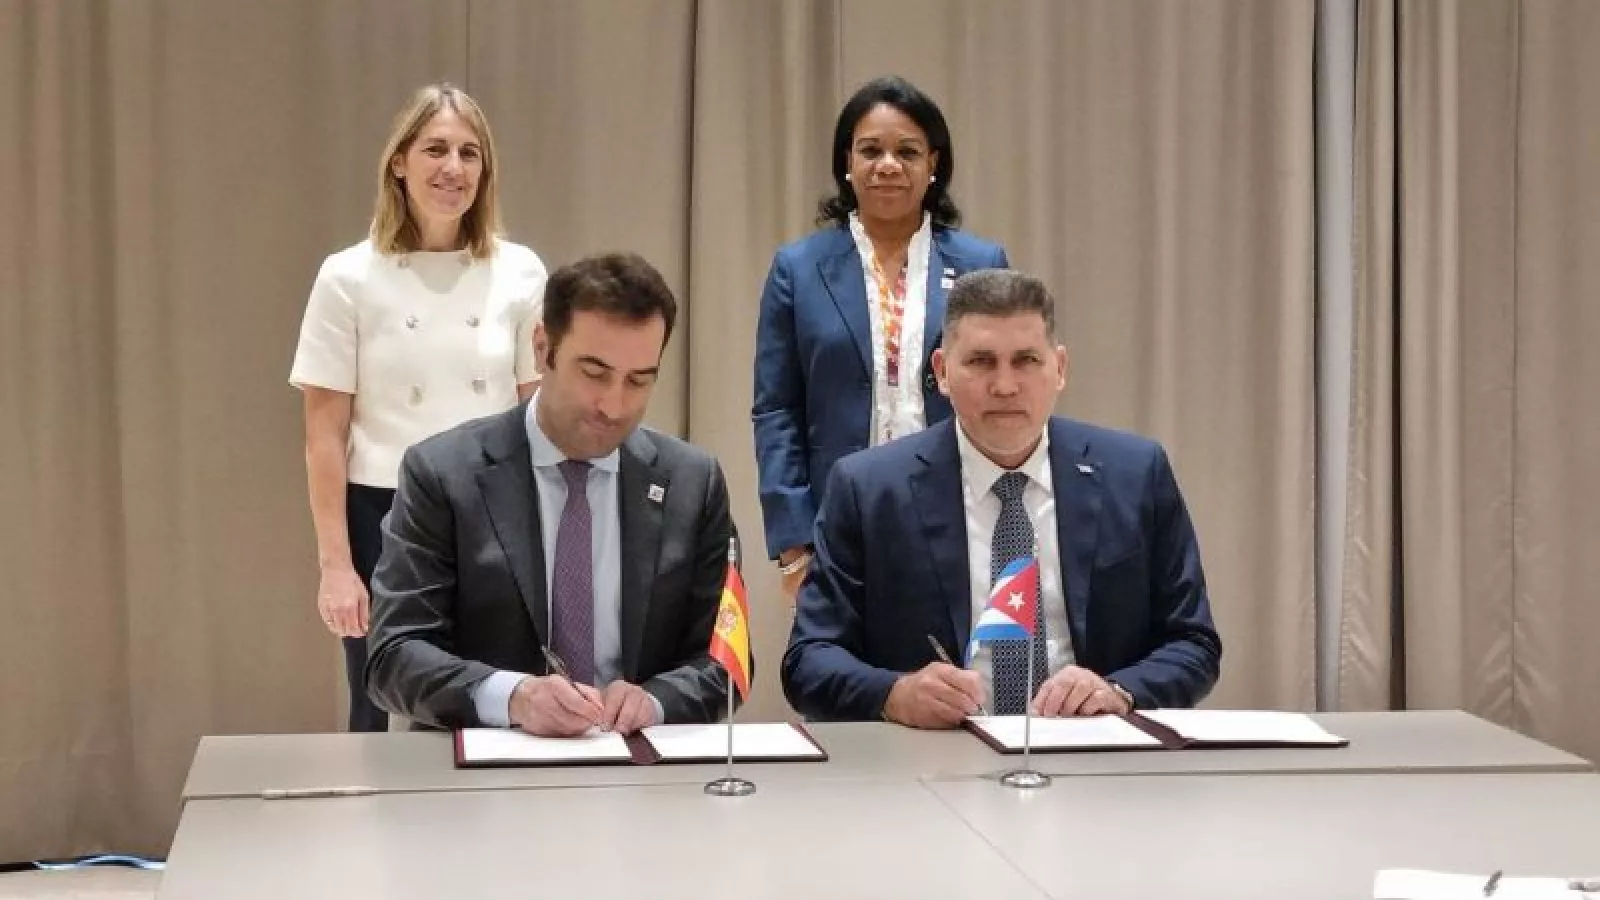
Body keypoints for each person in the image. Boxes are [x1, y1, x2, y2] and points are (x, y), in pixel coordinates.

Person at [782, 269, 1221, 726]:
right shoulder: (868, 489)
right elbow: (808, 660)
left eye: (1026, 360)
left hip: (1091, 750)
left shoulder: (1136, 475)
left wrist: (1119, 692)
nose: (1005, 386)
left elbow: (1194, 643)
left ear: (1060, 368)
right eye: (981, 361)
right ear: (942, 372)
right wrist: (893, 694)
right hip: (935, 754)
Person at [365, 253, 740, 734]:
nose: (613, 405)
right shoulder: (442, 474)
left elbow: (725, 659)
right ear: (543, 348)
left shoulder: (692, 482)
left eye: (638, 381)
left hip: (637, 761)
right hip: (485, 760)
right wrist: (513, 697)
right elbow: (394, 656)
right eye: (594, 373)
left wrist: (656, 702)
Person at [289, 83, 545, 732]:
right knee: (379, 701)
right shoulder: (347, 276)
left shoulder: (521, 273)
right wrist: (336, 567)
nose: (453, 168)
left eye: (469, 153)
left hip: (493, 512)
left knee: (492, 698)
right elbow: (325, 435)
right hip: (383, 513)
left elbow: (537, 417)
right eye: (435, 149)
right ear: (399, 162)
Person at [752, 75, 1010, 601]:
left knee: (954, 656)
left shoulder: (980, 264)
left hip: (959, 514)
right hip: (837, 520)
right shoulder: (798, 269)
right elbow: (776, 410)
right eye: (871, 150)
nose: (888, 165)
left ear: (933, 164)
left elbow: (1003, 392)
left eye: (907, 152)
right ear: (846, 162)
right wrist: (793, 544)